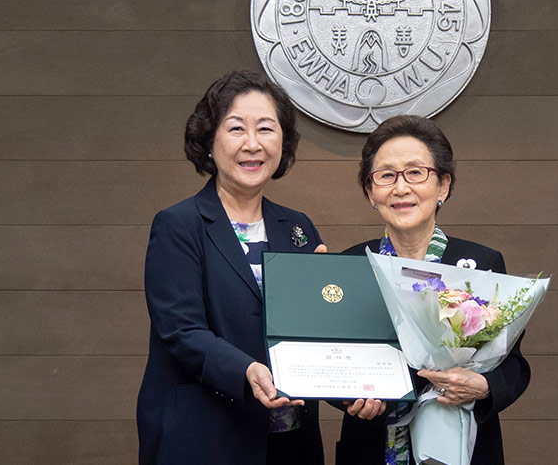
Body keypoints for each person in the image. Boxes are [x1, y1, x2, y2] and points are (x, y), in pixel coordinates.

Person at [137, 70, 326, 465]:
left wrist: (325, 305)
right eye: (236, 128)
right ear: (210, 142)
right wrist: (246, 370)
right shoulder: (179, 225)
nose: (252, 144)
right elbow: (182, 330)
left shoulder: (297, 228)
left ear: (284, 143)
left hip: (289, 439)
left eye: (266, 129)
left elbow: (308, 330)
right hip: (208, 435)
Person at [335, 115, 530, 465]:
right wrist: (349, 396)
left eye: (415, 172)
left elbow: (513, 366)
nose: (401, 188)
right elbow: (331, 358)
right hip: (371, 446)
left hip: (462, 446)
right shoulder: (348, 266)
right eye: (386, 175)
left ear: (442, 186)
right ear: (370, 191)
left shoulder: (482, 264)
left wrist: (482, 387)